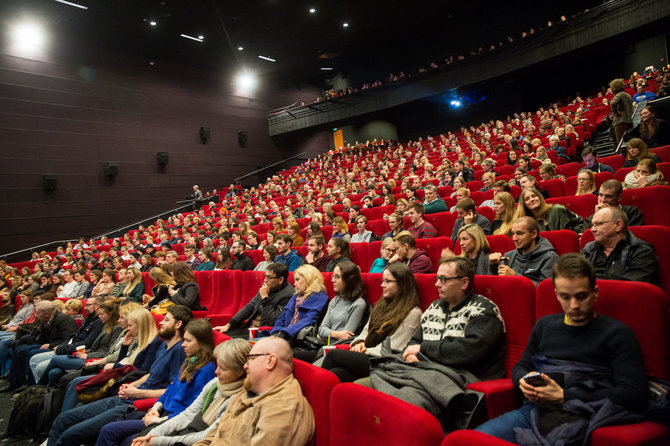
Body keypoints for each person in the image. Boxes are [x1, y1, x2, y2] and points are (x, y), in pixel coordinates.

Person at [476, 254, 649, 444]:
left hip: (585, 415)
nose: (574, 306)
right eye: (565, 297)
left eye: (581, 296)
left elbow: (635, 394)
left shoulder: (618, 334)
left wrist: (564, 396)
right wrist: (523, 382)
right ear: (557, 294)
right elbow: (521, 366)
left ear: (595, 292)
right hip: (535, 412)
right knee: (475, 440)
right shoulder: (545, 326)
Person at [47, 305, 194, 446]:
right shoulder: (164, 345)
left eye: (167, 320)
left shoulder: (179, 350)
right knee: (63, 419)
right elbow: (151, 374)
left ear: (178, 324)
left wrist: (138, 392)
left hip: (135, 404)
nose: (161, 322)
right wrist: (132, 385)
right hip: (127, 395)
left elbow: (172, 388)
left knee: (70, 434)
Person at [94, 319, 217, 446]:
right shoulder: (189, 361)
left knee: (119, 437)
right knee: (109, 430)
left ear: (203, 343)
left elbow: (192, 410)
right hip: (161, 414)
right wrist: (156, 408)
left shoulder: (207, 370)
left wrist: (159, 420)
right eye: (184, 339)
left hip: (173, 422)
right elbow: (170, 389)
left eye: (188, 341)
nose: (183, 344)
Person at [192, 337, 315, 446]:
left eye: (251, 358)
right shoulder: (247, 392)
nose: (245, 366)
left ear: (270, 361)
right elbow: (214, 435)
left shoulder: (284, 408)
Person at [128, 339, 250, 446]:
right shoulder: (215, 383)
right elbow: (188, 414)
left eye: (223, 368)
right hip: (184, 428)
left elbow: (206, 436)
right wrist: (154, 433)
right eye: (218, 365)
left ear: (240, 371)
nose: (216, 372)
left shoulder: (238, 399)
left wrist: (156, 441)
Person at [400, 256, 505, 379]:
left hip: (462, 378)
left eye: (443, 279)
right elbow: (414, 342)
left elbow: (470, 352)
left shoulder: (484, 310)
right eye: (437, 278)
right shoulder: (434, 307)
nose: (437, 284)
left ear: (464, 283)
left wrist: (423, 349)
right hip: (425, 371)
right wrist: (410, 356)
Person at [321, 263, 422, 382]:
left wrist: (366, 349)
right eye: (382, 280)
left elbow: (395, 345)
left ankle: (314, 392)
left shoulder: (413, 312)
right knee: (336, 374)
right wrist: (361, 342)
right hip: (369, 355)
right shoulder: (381, 305)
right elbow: (365, 331)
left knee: (333, 355)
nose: (382, 285)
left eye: (387, 281)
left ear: (402, 284)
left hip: (384, 361)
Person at [38, 300, 122, 385]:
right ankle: (48, 393)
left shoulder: (117, 328)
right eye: (99, 314)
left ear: (111, 314)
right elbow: (95, 347)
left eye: (102, 314)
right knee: (54, 372)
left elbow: (109, 352)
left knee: (55, 359)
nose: (99, 316)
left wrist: (87, 355)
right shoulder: (107, 326)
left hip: (97, 361)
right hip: (89, 356)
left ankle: (38, 387)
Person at [0, 300, 78, 393]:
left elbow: (68, 339)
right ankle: (15, 381)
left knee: (30, 352)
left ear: (47, 313)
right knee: (20, 348)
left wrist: (50, 345)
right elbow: (41, 337)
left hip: (58, 347)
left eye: (38, 313)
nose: (36, 315)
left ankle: (30, 386)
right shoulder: (45, 320)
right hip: (47, 344)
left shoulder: (65, 320)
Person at [29, 297, 103, 385]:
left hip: (75, 352)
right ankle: (34, 389)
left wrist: (62, 348)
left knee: (42, 367)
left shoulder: (99, 323)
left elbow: (86, 343)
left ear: (97, 306)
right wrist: (61, 346)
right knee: (33, 358)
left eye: (88, 305)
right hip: (67, 348)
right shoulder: (88, 320)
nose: (85, 308)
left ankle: (38, 391)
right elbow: (72, 337)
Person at [581, 207, 659, 284]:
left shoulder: (641, 252)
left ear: (618, 225)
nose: (592, 229)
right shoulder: (589, 249)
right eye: (593, 225)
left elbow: (631, 290)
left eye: (599, 224)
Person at [214, 263, 294, 338]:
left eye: (269, 277)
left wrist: (265, 299)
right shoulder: (266, 287)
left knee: (228, 342)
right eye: (265, 276)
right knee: (219, 335)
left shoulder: (289, 295)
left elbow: (274, 321)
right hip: (251, 328)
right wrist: (228, 325)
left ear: (280, 280)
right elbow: (249, 307)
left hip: (264, 333)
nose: (265, 280)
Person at [489, 217, 559, 286]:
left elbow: (546, 289)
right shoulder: (509, 256)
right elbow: (494, 286)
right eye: (513, 234)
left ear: (534, 234)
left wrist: (515, 277)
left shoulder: (550, 257)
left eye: (519, 233)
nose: (514, 238)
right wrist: (493, 266)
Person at [266, 264, 328, 342]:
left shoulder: (319, 298)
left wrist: (284, 333)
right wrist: (275, 333)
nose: (294, 284)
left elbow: (307, 320)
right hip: (284, 337)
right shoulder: (296, 296)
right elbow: (281, 319)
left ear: (308, 279)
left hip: (299, 340)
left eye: (297, 280)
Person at [514, 188, 587, 233]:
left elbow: (579, 222)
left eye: (534, 196)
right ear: (524, 205)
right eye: (527, 199)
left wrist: (575, 234)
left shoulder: (557, 209)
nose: (532, 199)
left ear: (540, 198)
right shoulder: (527, 223)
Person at [609, 78, 634, 153]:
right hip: (628, 121)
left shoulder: (619, 95)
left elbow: (613, 103)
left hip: (620, 122)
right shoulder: (627, 95)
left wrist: (615, 112)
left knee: (621, 144)